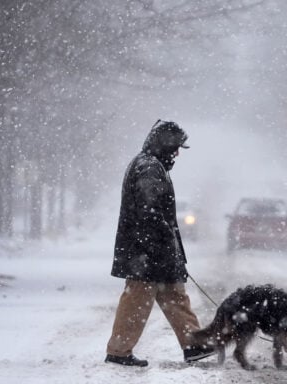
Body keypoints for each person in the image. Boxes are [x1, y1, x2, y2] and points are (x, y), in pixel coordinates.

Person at [105, 119, 214, 367]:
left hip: (154, 250)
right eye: (175, 148)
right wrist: (164, 243)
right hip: (145, 252)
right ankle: (119, 351)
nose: (177, 153)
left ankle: (194, 345)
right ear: (163, 145)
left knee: (175, 296)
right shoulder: (148, 168)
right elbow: (149, 212)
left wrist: (171, 249)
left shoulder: (153, 165)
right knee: (137, 300)